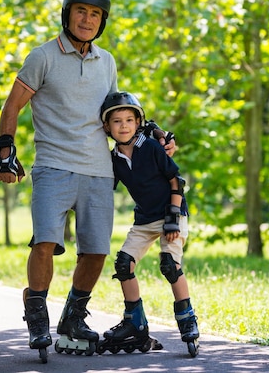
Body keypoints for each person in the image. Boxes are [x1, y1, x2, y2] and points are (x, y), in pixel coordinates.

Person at [0, 0, 176, 362]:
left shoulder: (106, 62)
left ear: (102, 21)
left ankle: (73, 317)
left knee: (94, 252)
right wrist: (6, 151)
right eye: (81, 11)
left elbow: (115, 114)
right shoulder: (42, 57)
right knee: (44, 241)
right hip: (54, 166)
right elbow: (11, 106)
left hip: (98, 170)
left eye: (95, 15)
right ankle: (37, 313)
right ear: (67, 14)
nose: (87, 19)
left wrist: (153, 135)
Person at [97, 91, 200, 357]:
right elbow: (105, 187)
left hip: (170, 214)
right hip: (144, 219)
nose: (123, 126)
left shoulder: (152, 147)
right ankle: (135, 322)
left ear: (138, 122)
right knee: (123, 264)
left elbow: (176, 181)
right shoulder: (114, 158)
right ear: (107, 127)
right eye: (117, 121)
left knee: (170, 265)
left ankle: (187, 318)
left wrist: (173, 217)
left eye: (129, 120)